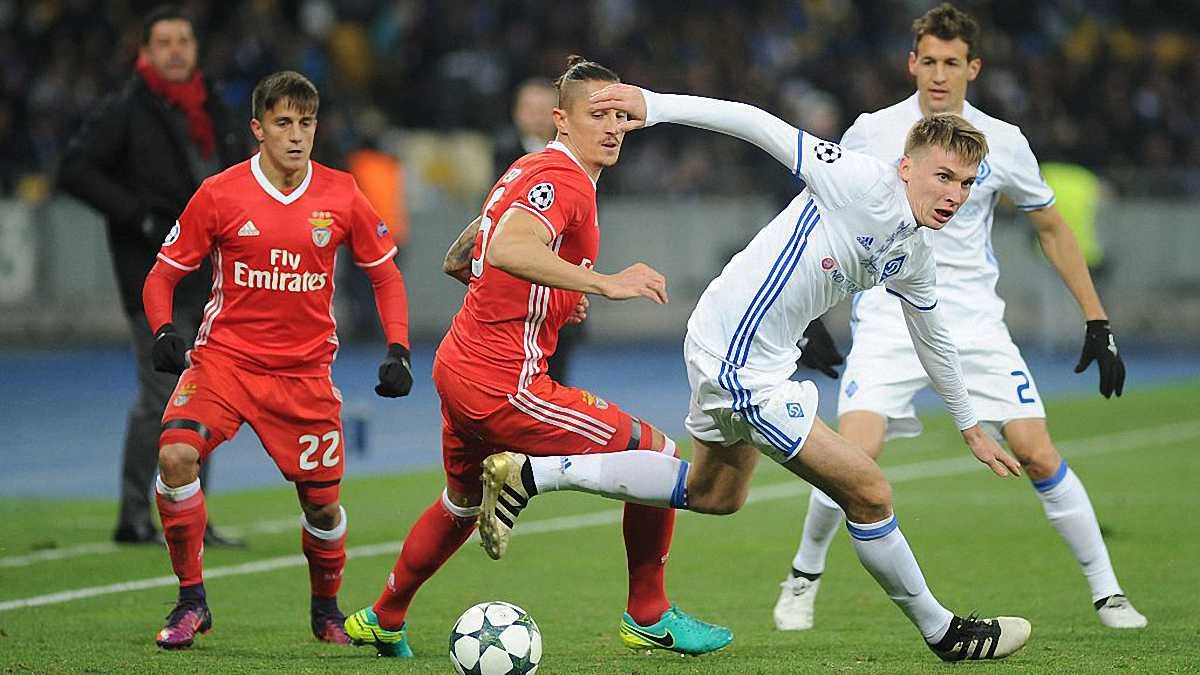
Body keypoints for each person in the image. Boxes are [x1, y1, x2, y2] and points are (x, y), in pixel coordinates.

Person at [479, 84, 1036, 663]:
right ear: (906, 167)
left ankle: (530, 475)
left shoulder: (914, 253)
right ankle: (945, 633)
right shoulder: (859, 180)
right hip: (737, 359)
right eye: (943, 177)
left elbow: (933, 336)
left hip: (744, 348)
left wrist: (970, 425)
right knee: (869, 491)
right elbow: (754, 122)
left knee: (715, 493)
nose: (954, 195)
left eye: (966, 183)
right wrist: (654, 104)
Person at [343, 57, 731, 658]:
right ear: (561, 119)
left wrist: (555, 296)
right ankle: (648, 613)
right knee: (655, 455)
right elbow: (505, 247)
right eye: (597, 115)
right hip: (504, 382)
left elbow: (462, 257)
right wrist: (602, 283)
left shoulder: (529, 168)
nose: (613, 127)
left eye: (620, 116)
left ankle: (383, 616)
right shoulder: (565, 180)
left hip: (459, 365)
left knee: (461, 503)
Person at [777, 3, 1144, 633]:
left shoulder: (1002, 140)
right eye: (929, 61)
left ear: (973, 67)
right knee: (852, 456)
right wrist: (807, 315)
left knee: (1036, 452)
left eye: (952, 62)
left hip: (975, 324)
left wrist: (1097, 319)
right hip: (890, 316)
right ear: (911, 63)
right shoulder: (873, 131)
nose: (939, 74)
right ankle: (802, 578)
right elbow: (824, 212)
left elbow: (1050, 226)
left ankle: (1108, 594)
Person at [142, 70, 414, 649]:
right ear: (258, 129)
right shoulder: (220, 193)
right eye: (283, 123)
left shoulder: (341, 193)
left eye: (306, 123)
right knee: (175, 456)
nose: (296, 135)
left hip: (304, 376)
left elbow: (386, 276)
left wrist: (398, 349)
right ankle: (191, 600)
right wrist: (163, 329)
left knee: (323, 507)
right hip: (224, 365)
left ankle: (326, 610)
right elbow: (161, 275)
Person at [58, 4, 247, 547]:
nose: (175, 51)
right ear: (145, 52)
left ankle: (192, 517)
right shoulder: (126, 110)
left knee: (203, 396)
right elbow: (73, 169)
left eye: (183, 40)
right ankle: (134, 515)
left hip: (212, 278)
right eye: (164, 42)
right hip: (153, 276)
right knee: (162, 394)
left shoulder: (211, 105)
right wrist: (137, 216)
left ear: (195, 48)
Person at [493, 77, 585, 384]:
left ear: (558, 115)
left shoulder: (579, 156)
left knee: (557, 368)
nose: (535, 117)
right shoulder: (505, 154)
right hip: (518, 281)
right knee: (512, 368)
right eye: (529, 109)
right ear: (516, 112)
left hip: (560, 276)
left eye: (542, 110)